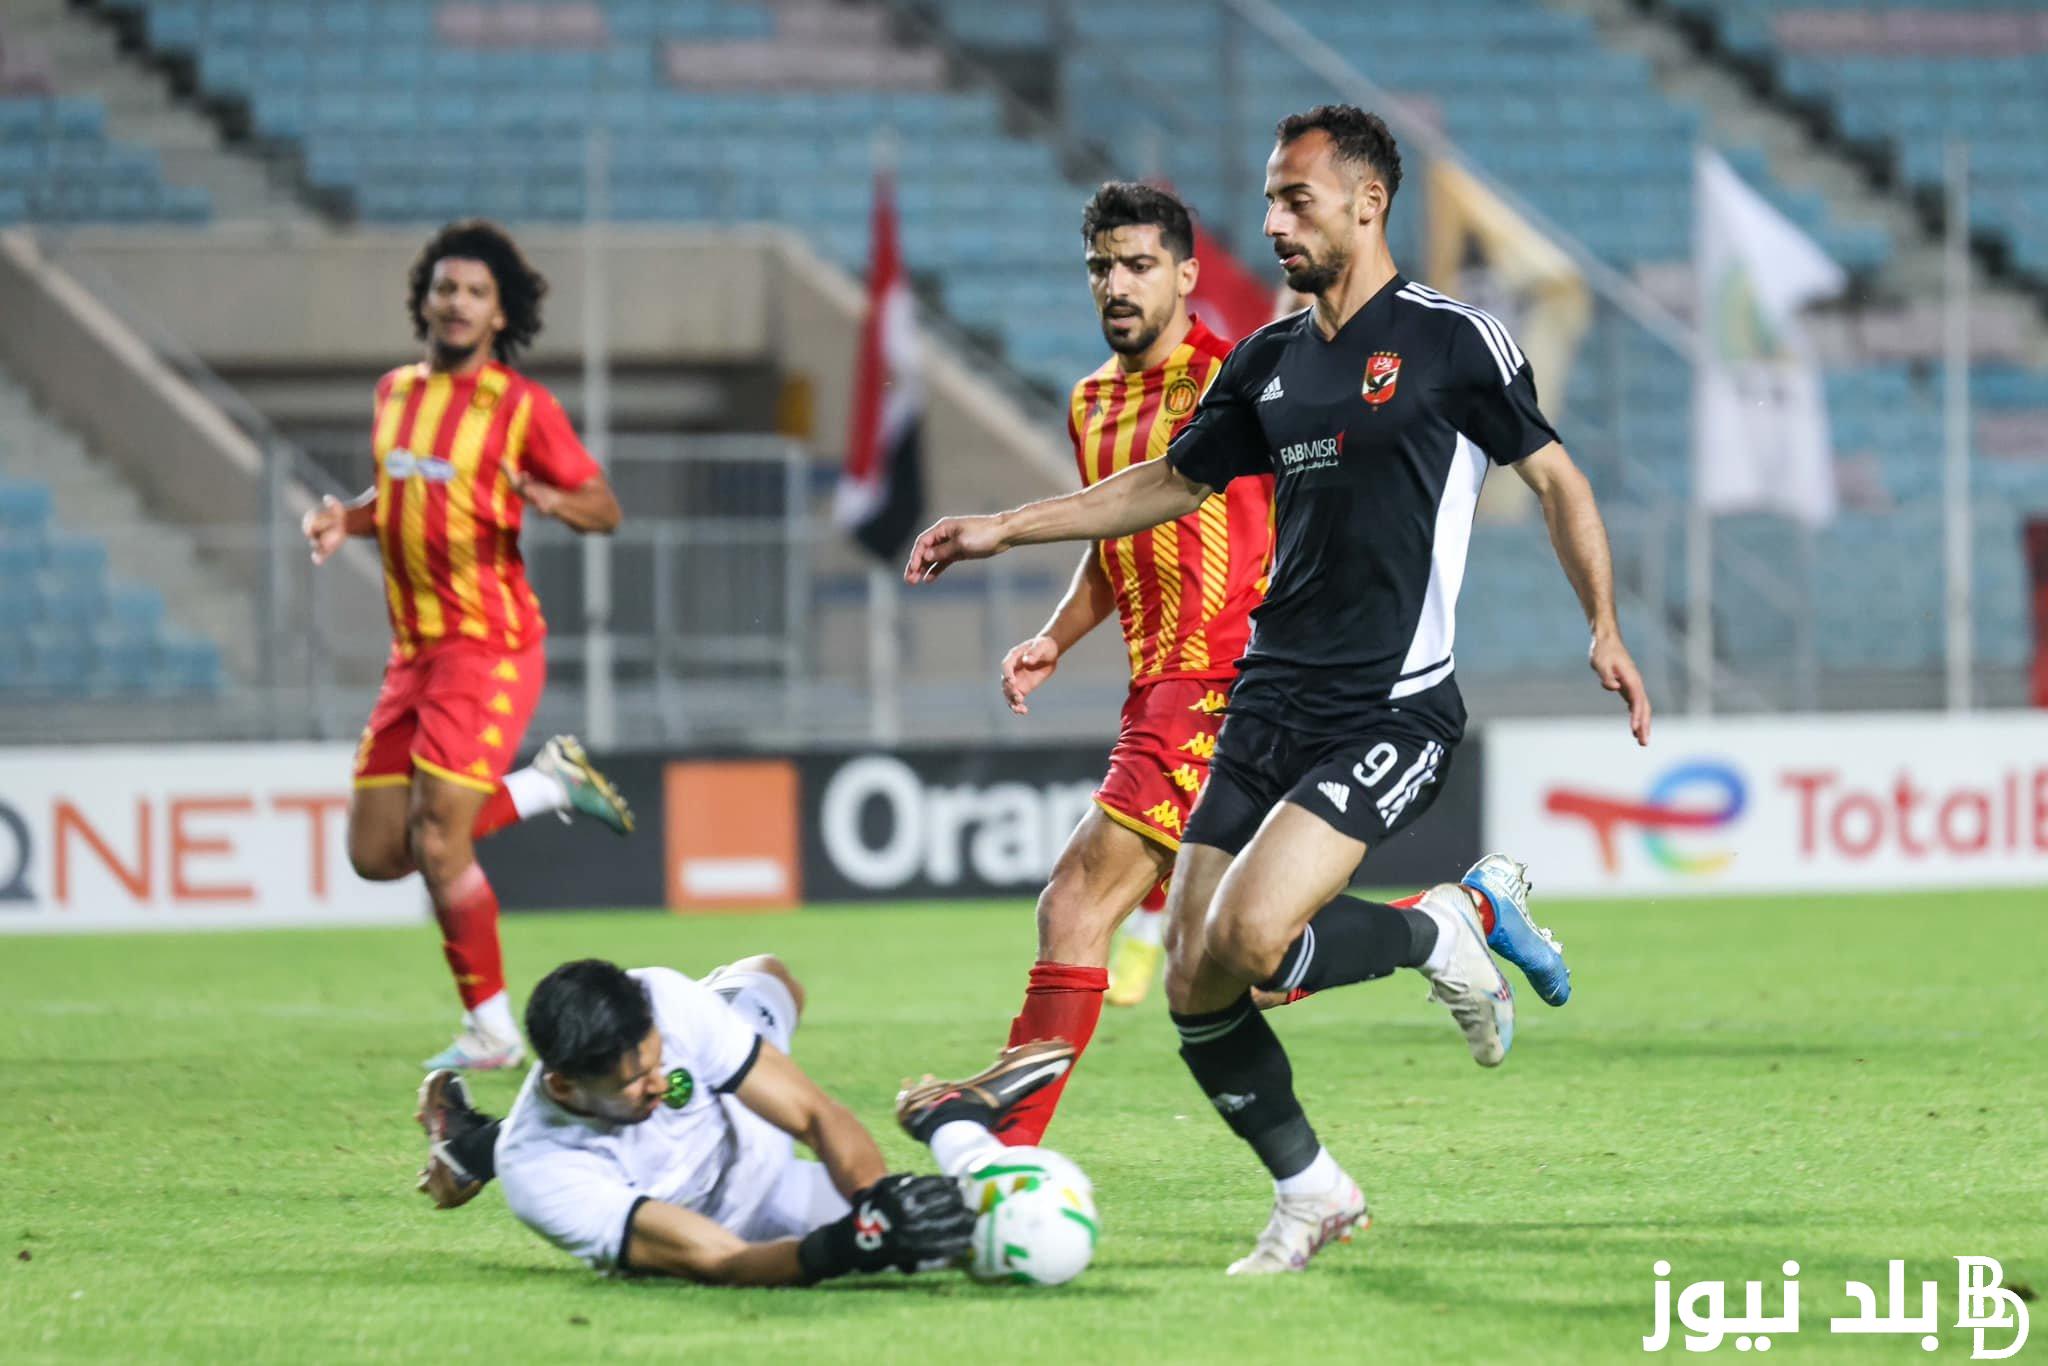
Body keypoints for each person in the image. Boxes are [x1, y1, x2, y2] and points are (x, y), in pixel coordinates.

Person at [904, 105, 1648, 1274]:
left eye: (1294, 198)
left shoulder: (1457, 342)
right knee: (1196, 980)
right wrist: (1002, 527)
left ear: (1366, 201)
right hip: (1266, 699)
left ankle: (1440, 927)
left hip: (1389, 706)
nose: (1273, 221)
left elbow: (1556, 481)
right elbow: (1162, 484)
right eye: (1267, 198)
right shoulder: (1267, 360)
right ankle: (1314, 1190)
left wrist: (1600, 624)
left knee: (1248, 935)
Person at [301, 220, 634, 1072]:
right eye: (446, 288)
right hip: (412, 652)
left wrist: (552, 502)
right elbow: (404, 492)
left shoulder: (520, 407)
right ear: (425, 299)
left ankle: (491, 1031)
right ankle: (545, 784)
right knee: (378, 852)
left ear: (498, 315)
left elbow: (604, 506)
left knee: (440, 841)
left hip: (488, 647)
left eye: (475, 293)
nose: (456, 303)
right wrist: (351, 517)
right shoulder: (394, 394)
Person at [985, 181, 1272, 1144]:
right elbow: (1118, 537)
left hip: (1218, 681)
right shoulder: (1090, 401)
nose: (1117, 283)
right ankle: (1456, 920)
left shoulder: (1237, 383)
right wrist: (1055, 641)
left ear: (1187, 276)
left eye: (1139, 265)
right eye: (1102, 266)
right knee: (1235, 954)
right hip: (1154, 686)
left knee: (1075, 904)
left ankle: (1002, 1152)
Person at [413, 955, 1075, 1285]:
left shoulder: (663, 1003)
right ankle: (947, 1120)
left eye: (654, 1059)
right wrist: (855, 1242)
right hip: (744, 1218)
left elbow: (815, 1114)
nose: (656, 1082)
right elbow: (720, 1257)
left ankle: (476, 1144)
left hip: (741, 1120)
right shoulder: (543, 1179)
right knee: (977, 1241)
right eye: (633, 1081)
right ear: (563, 1083)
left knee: (769, 976)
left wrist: (878, 1199)